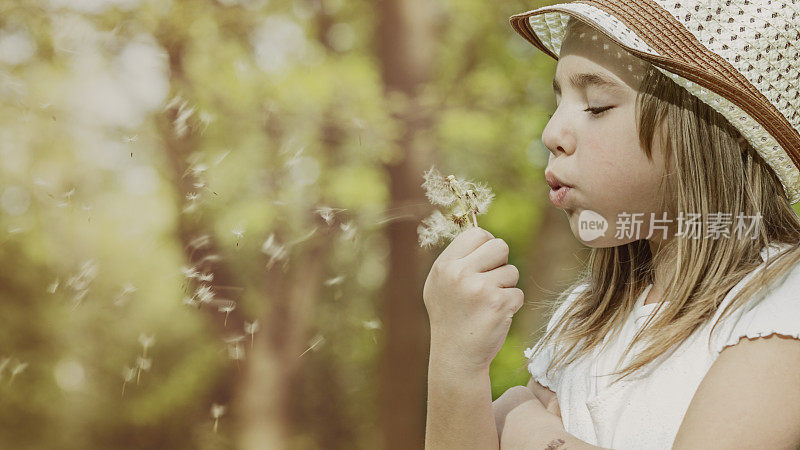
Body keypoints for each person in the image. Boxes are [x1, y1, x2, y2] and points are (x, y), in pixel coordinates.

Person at [424, 1, 800, 449]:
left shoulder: (778, 308)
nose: (551, 134)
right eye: (557, 101)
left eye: (597, 105)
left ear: (721, 128)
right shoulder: (585, 320)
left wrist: (533, 432)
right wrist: (456, 364)